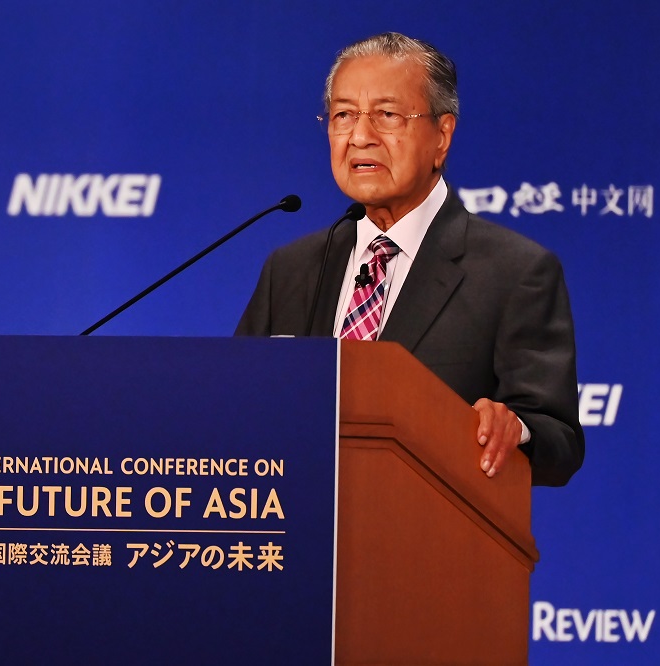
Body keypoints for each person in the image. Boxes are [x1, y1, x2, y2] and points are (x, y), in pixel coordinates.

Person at [236, 32, 583, 486]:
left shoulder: (514, 272)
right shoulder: (290, 268)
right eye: (343, 115)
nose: (360, 137)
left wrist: (515, 429)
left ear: (442, 135)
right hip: (299, 537)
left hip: (425, 541)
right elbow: (238, 409)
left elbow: (559, 441)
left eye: (387, 115)